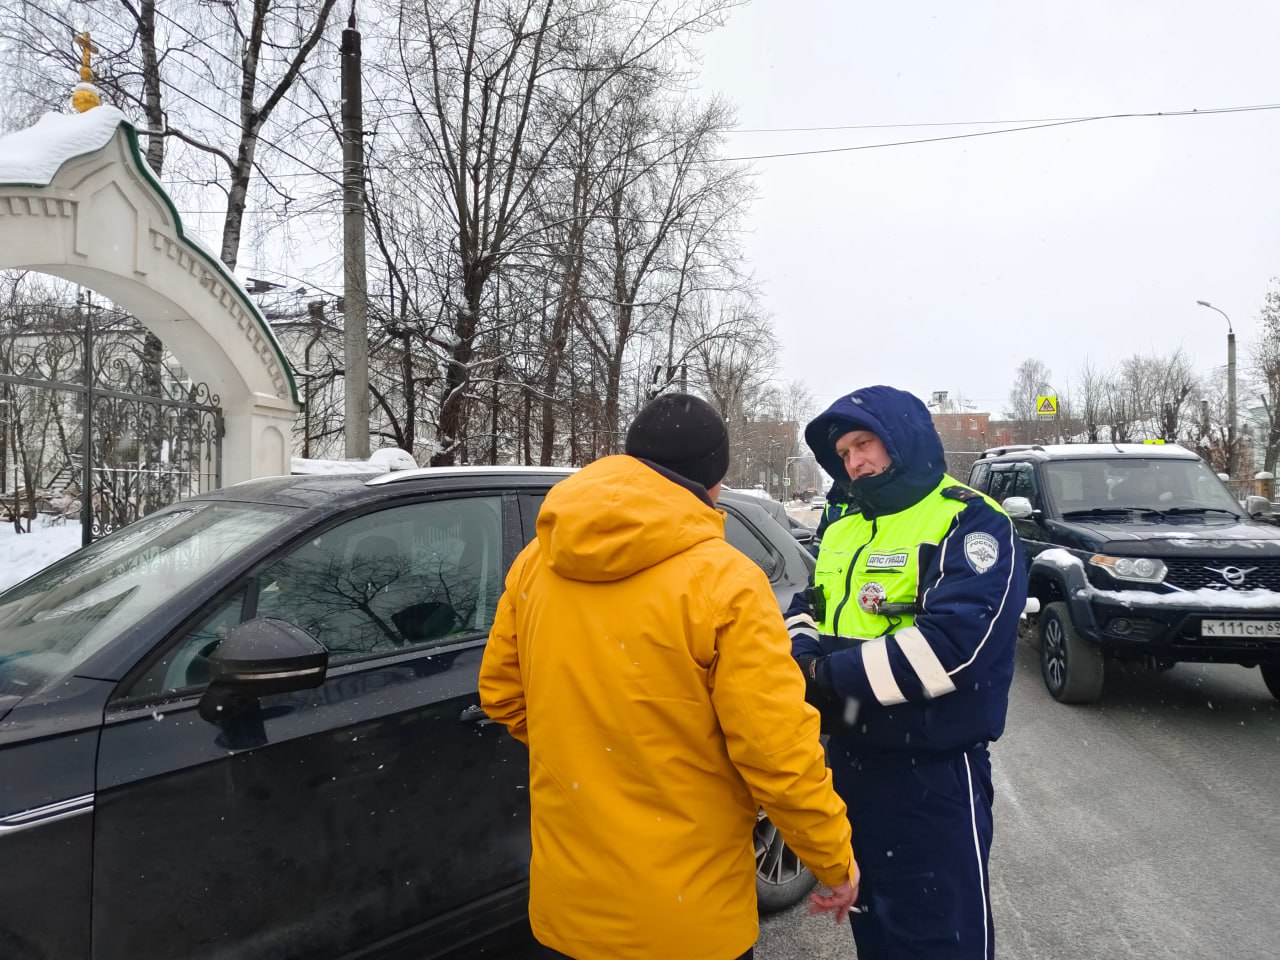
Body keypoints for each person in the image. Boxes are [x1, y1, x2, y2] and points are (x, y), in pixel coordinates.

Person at [480, 392, 858, 960]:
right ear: (715, 481)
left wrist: (591, 754)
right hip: (687, 920)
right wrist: (835, 861)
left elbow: (503, 696)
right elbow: (777, 751)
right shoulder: (727, 580)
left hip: (569, 911)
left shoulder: (537, 559)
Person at [785, 384, 1027, 960]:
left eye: (864, 443)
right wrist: (798, 653)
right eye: (843, 453)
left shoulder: (968, 520)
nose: (854, 461)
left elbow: (951, 651)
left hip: (932, 777)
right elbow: (806, 609)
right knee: (876, 931)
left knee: (942, 940)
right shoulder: (842, 523)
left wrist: (819, 677)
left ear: (904, 439)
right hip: (848, 768)